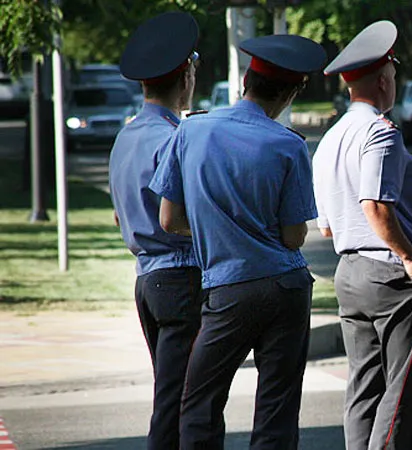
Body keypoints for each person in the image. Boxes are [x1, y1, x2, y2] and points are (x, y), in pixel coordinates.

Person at [148, 34, 327, 449]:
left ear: (246, 80)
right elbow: (293, 236)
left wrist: (220, 228)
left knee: (199, 404)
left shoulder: (191, 131)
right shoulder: (290, 145)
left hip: (226, 290)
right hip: (285, 288)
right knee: (277, 408)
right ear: (292, 92)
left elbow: (169, 219)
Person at [313, 20, 412, 450]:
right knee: (403, 390)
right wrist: (411, 257)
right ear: (385, 80)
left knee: (364, 385)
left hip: (350, 272)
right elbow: (376, 205)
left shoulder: (331, 138)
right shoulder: (380, 133)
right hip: (391, 275)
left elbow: (328, 223)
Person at [108, 11, 201, 449]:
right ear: (186, 75)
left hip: (146, 278)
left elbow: (117, 215)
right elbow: (181, 216)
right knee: (183, 401)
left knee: (172, 392)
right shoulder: (176, 138)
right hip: (181, 276)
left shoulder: (126, 137)